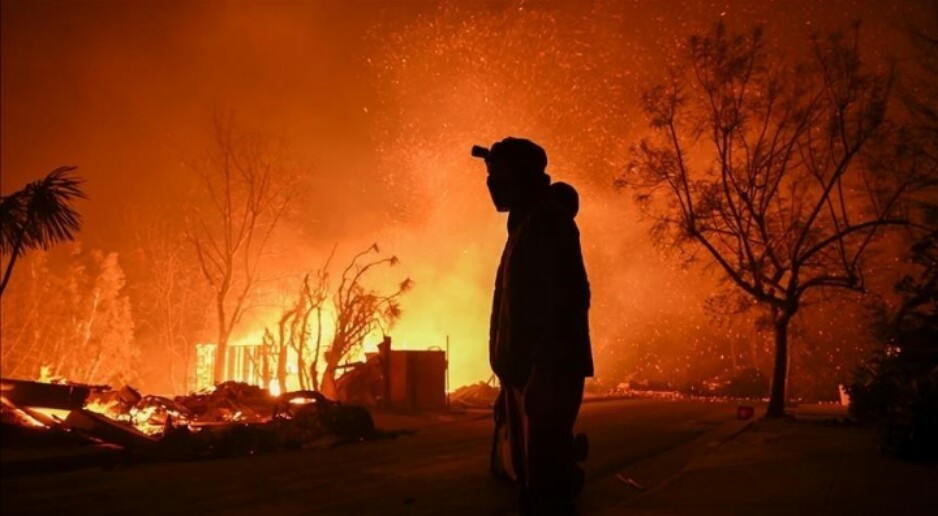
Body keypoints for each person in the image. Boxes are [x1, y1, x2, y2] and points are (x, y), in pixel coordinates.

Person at [479, 137, 593, 515]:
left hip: (545, 375)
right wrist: (507, 375)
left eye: (498, 174)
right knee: (532, 486)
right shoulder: (524, 224)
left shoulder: (547, 221)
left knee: (547, 492)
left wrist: (543, 371)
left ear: (523, 176)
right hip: (525, 375)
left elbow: (567, 299)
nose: (491, 183)